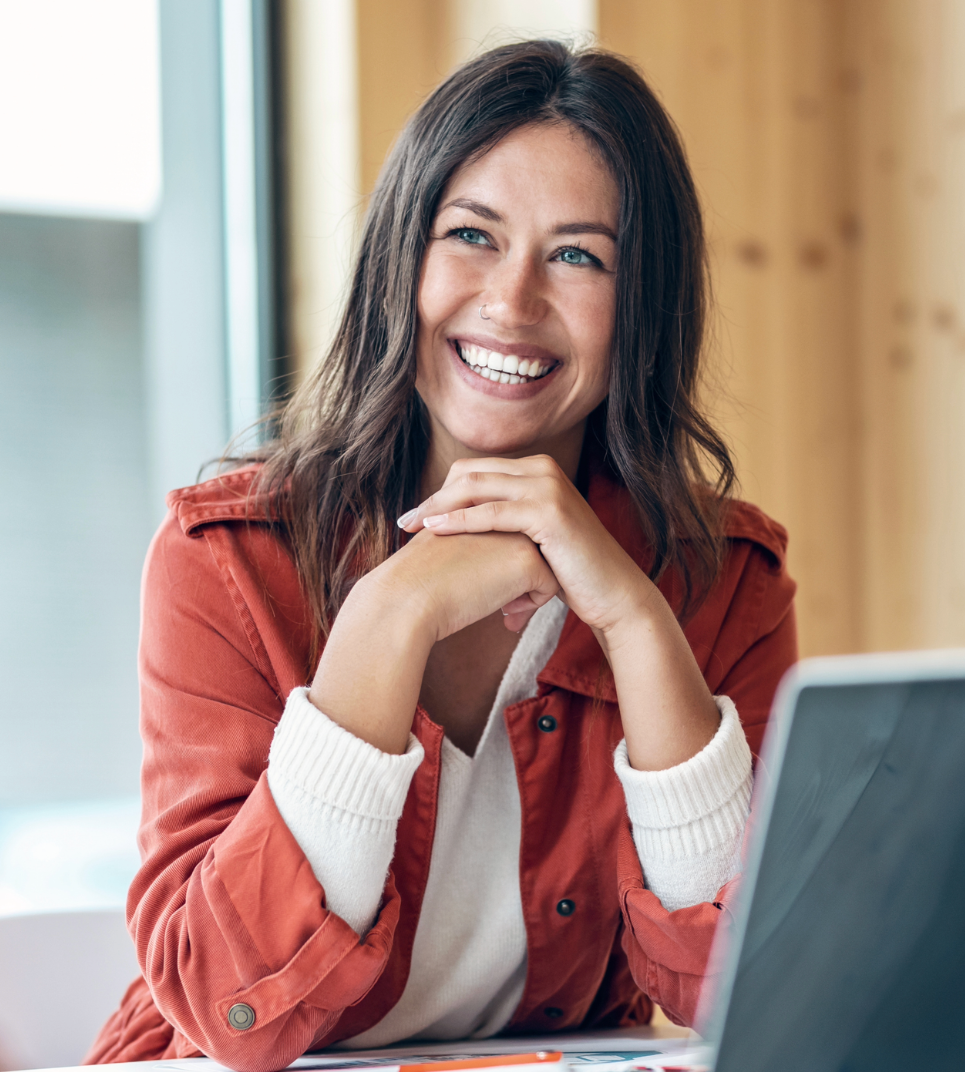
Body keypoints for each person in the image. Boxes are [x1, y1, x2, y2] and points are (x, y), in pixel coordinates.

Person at [86, 41, 797, 1072]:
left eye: (579, 255)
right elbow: (230, 1005)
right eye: (471, 235)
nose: (511, 303)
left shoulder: (721, 579)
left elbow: (744, 991)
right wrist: (388, 616)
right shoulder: (227, 562)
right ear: (400, 260)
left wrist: (638, 622)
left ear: (639, 307)